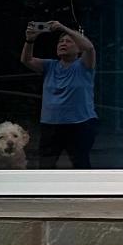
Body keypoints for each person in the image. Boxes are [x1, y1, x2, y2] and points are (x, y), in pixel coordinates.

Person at [20, 20, 97, 168]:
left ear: (78, 48)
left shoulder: (84, 65)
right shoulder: (49, 65)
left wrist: (62, 27)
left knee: (81, 165)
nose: (63, 43)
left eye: (69, 41)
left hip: (80, 125)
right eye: (61, 41)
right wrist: (30, 40)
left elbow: (89, 47)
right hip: (50, 125)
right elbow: (26, 60)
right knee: (45, 166)